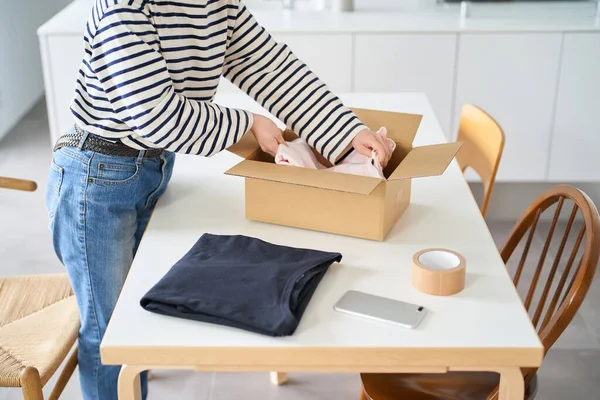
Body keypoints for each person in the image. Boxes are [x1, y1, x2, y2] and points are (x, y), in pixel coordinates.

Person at [46, 1, 392, 399]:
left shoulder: (216, 4)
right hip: (94, 179)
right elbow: (157, 117)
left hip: (151, 168)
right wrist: (247, 123)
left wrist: (347, 131)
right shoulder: (124, 8)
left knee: (131, 322)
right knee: (109, 332)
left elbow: (271, 67)